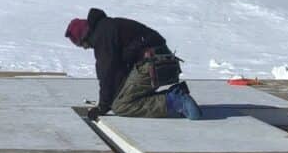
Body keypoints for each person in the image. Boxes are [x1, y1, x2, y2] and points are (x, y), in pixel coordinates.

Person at [65, 7, 201, 121]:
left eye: (82, 45)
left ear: (84, 38)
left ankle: (174, 100)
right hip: (163, 62)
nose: (85, 48)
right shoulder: (107, 27)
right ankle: (175, 94)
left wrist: (103, 106)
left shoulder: (103, 36)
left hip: (152, 65)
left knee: (121, 106)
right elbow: (118, 72)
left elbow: (107, 74)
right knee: (121, 98)